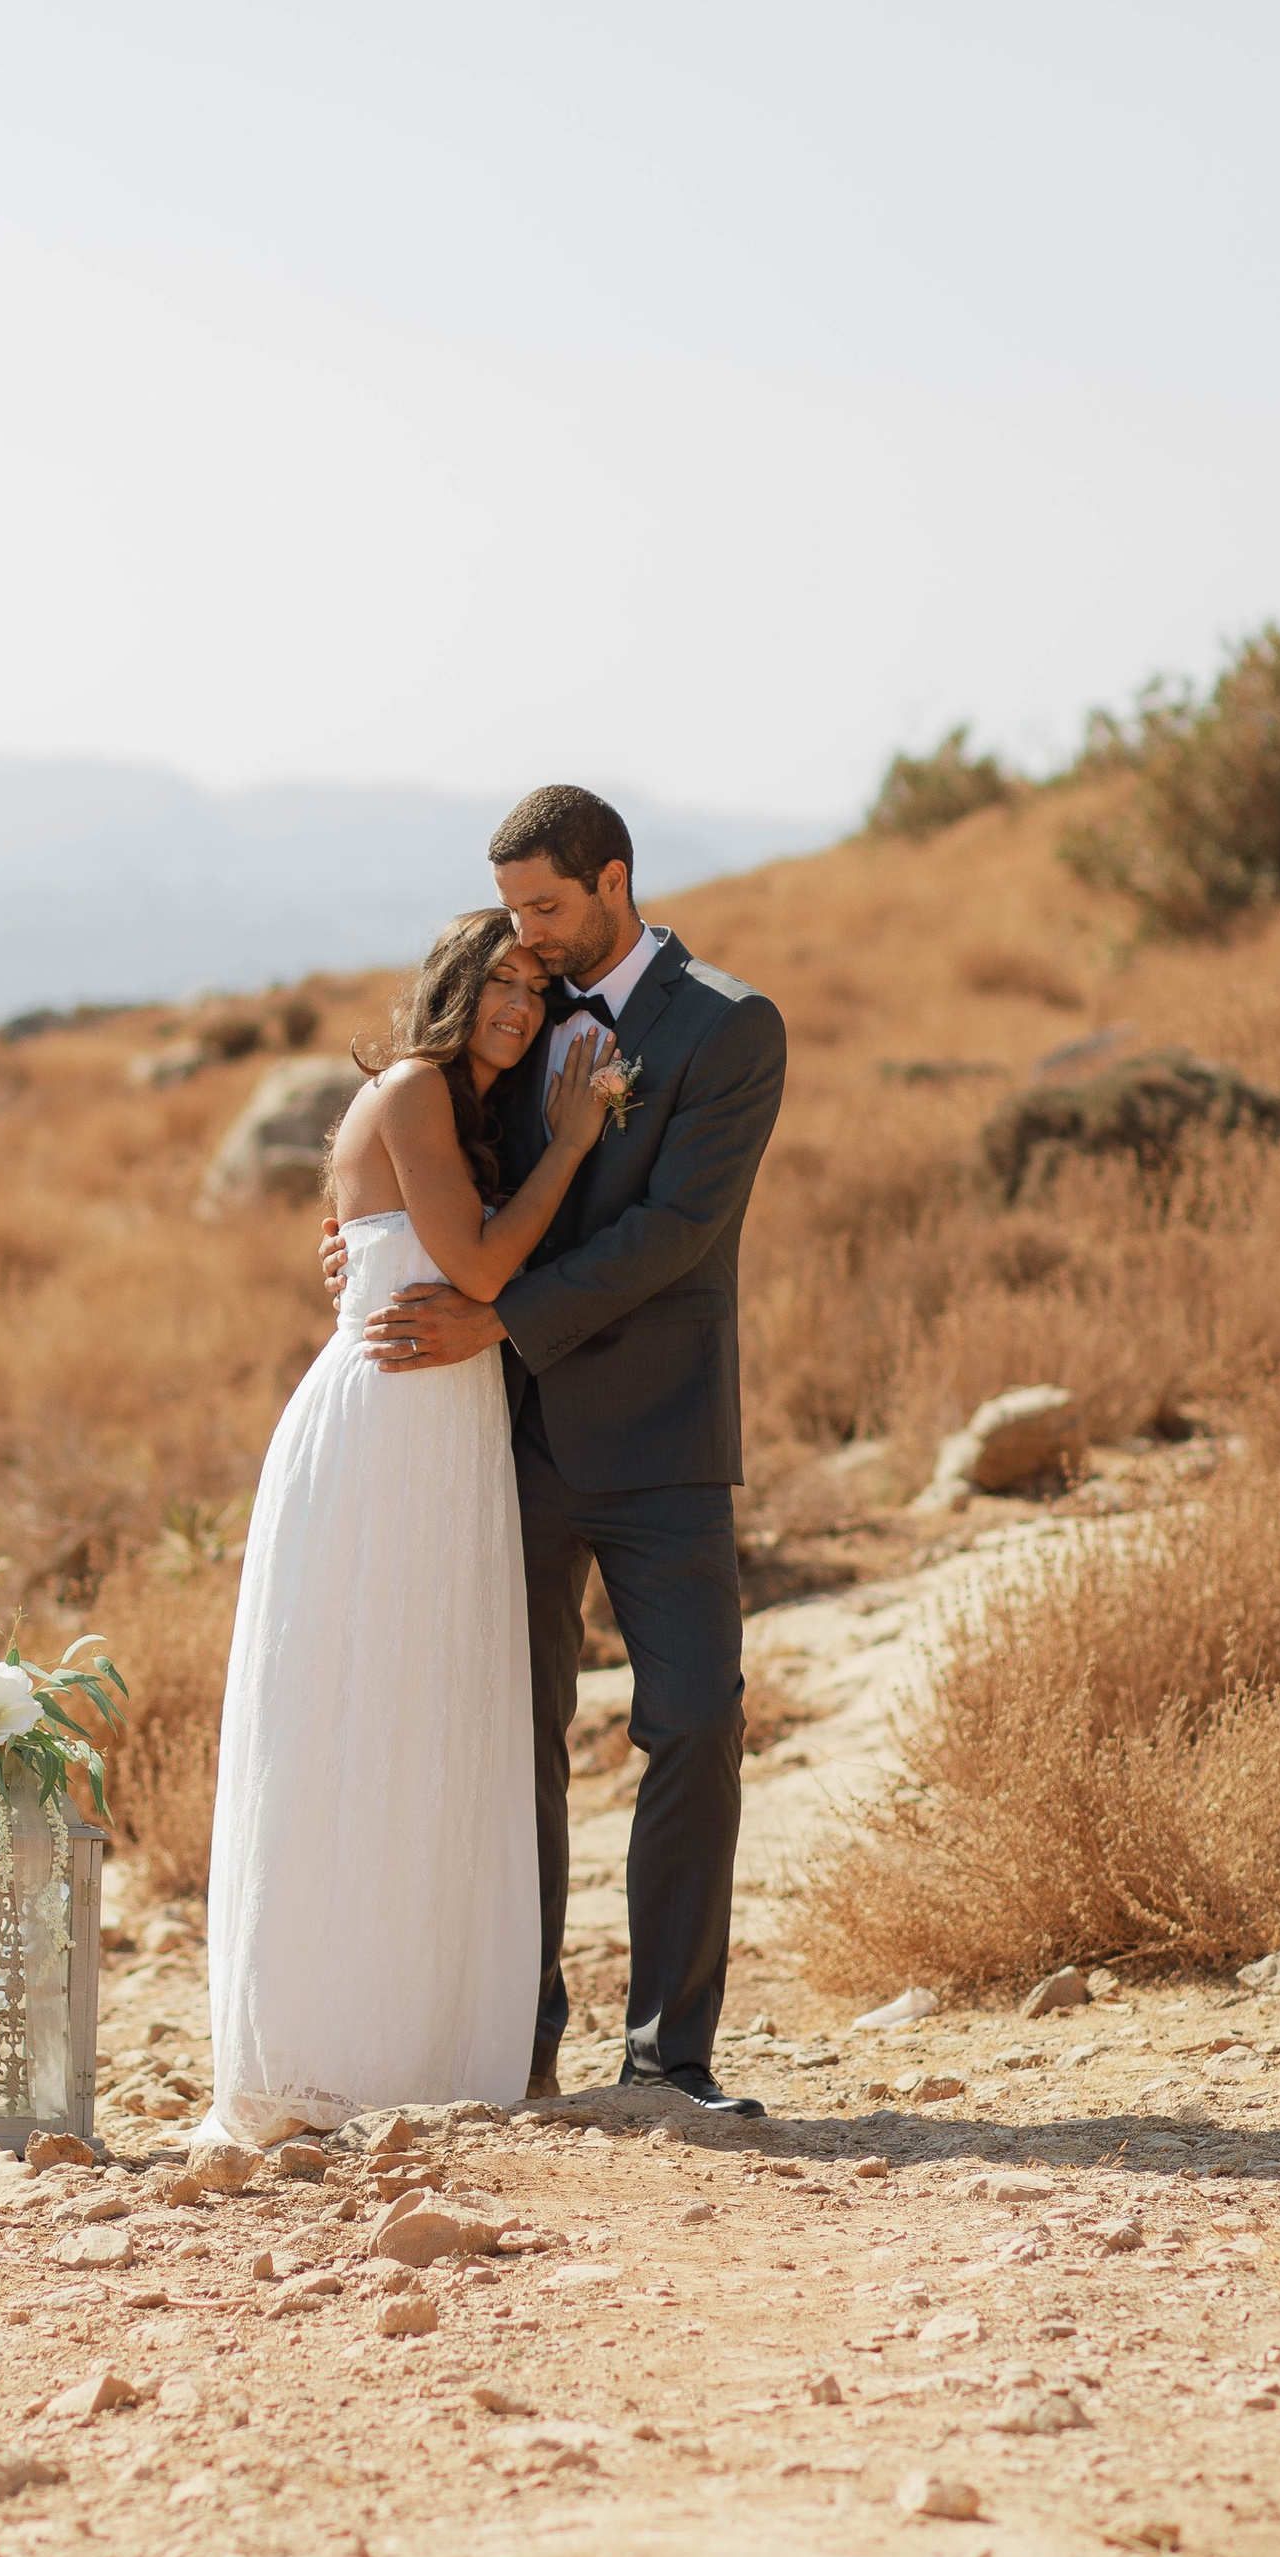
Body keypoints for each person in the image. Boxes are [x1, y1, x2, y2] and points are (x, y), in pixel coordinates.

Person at [337, 784, 787, 2117]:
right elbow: (438, 1156)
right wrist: (367, 1247)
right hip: (504, 1440)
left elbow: (677, 1232)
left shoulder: (728, 1025)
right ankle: (519, 2050)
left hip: (660, 1440)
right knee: (511, 1744)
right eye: (512, 911)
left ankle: (666, 2059)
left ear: (613, 879)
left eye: (544, 906)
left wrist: (497, 1316)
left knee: (696, 1721)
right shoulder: (515, 1016)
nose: (525, 935)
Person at [203, 912, 625, 2145]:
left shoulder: (464, 1112)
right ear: (452, 984)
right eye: (499, 979)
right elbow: (481, 1271)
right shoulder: (412, 1090)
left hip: (448, 1436)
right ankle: (334, 2053)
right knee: (361, 1721)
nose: (519, 1004)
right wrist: (575, 1140)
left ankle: (420, 2040)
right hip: (386, 1431)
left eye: (536, 986)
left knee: (428, 1723)